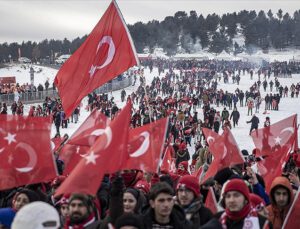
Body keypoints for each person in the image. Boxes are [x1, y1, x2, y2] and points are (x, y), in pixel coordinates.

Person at [202, 179, 271, 228]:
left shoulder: (261, 223)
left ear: (246, 199)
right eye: (228, 196)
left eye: (236, 195)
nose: (231, 200)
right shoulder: (217, 220)